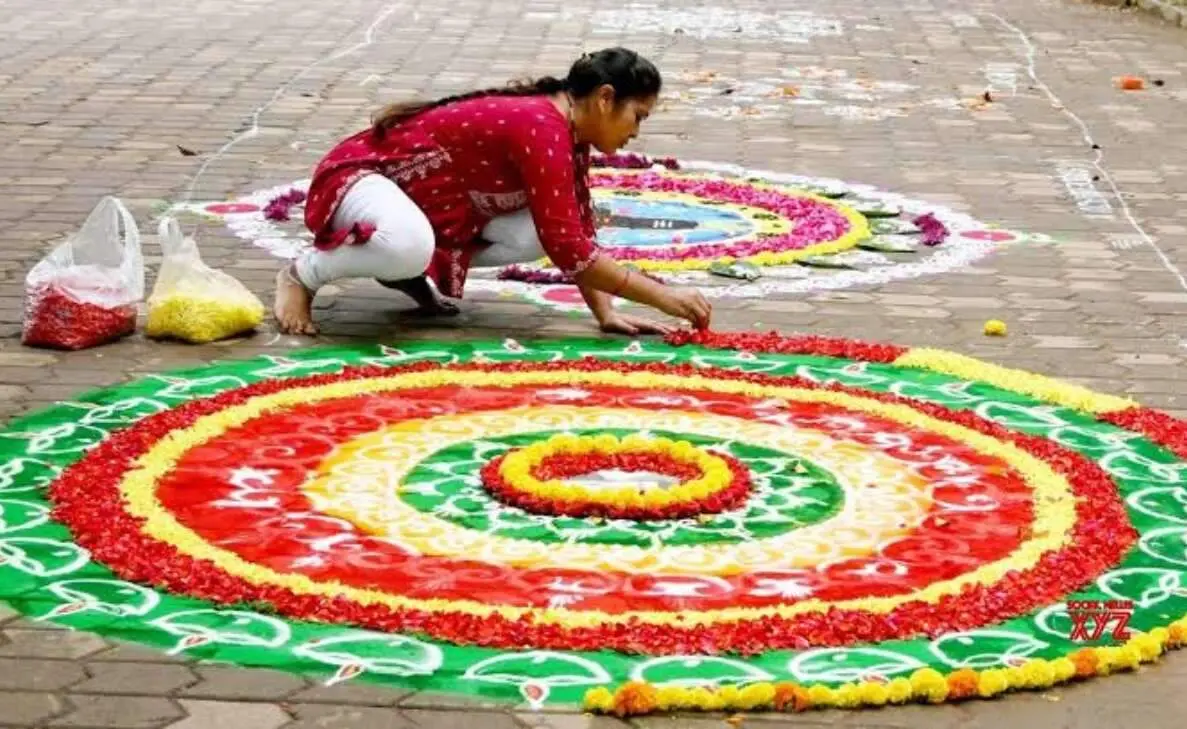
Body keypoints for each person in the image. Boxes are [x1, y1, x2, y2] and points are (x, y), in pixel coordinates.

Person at [274, 47, 712, 336]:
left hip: (420, 203)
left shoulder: (569, 131)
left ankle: (406, 267)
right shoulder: (543, 128)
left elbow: (572, 233)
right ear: (604, 98)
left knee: (535, 231)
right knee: (407, 244)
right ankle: (302, 275)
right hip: (359, 180)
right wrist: (664, 296)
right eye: (638, 116)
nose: (636, 131)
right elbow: (568, 247)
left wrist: (607, 312)